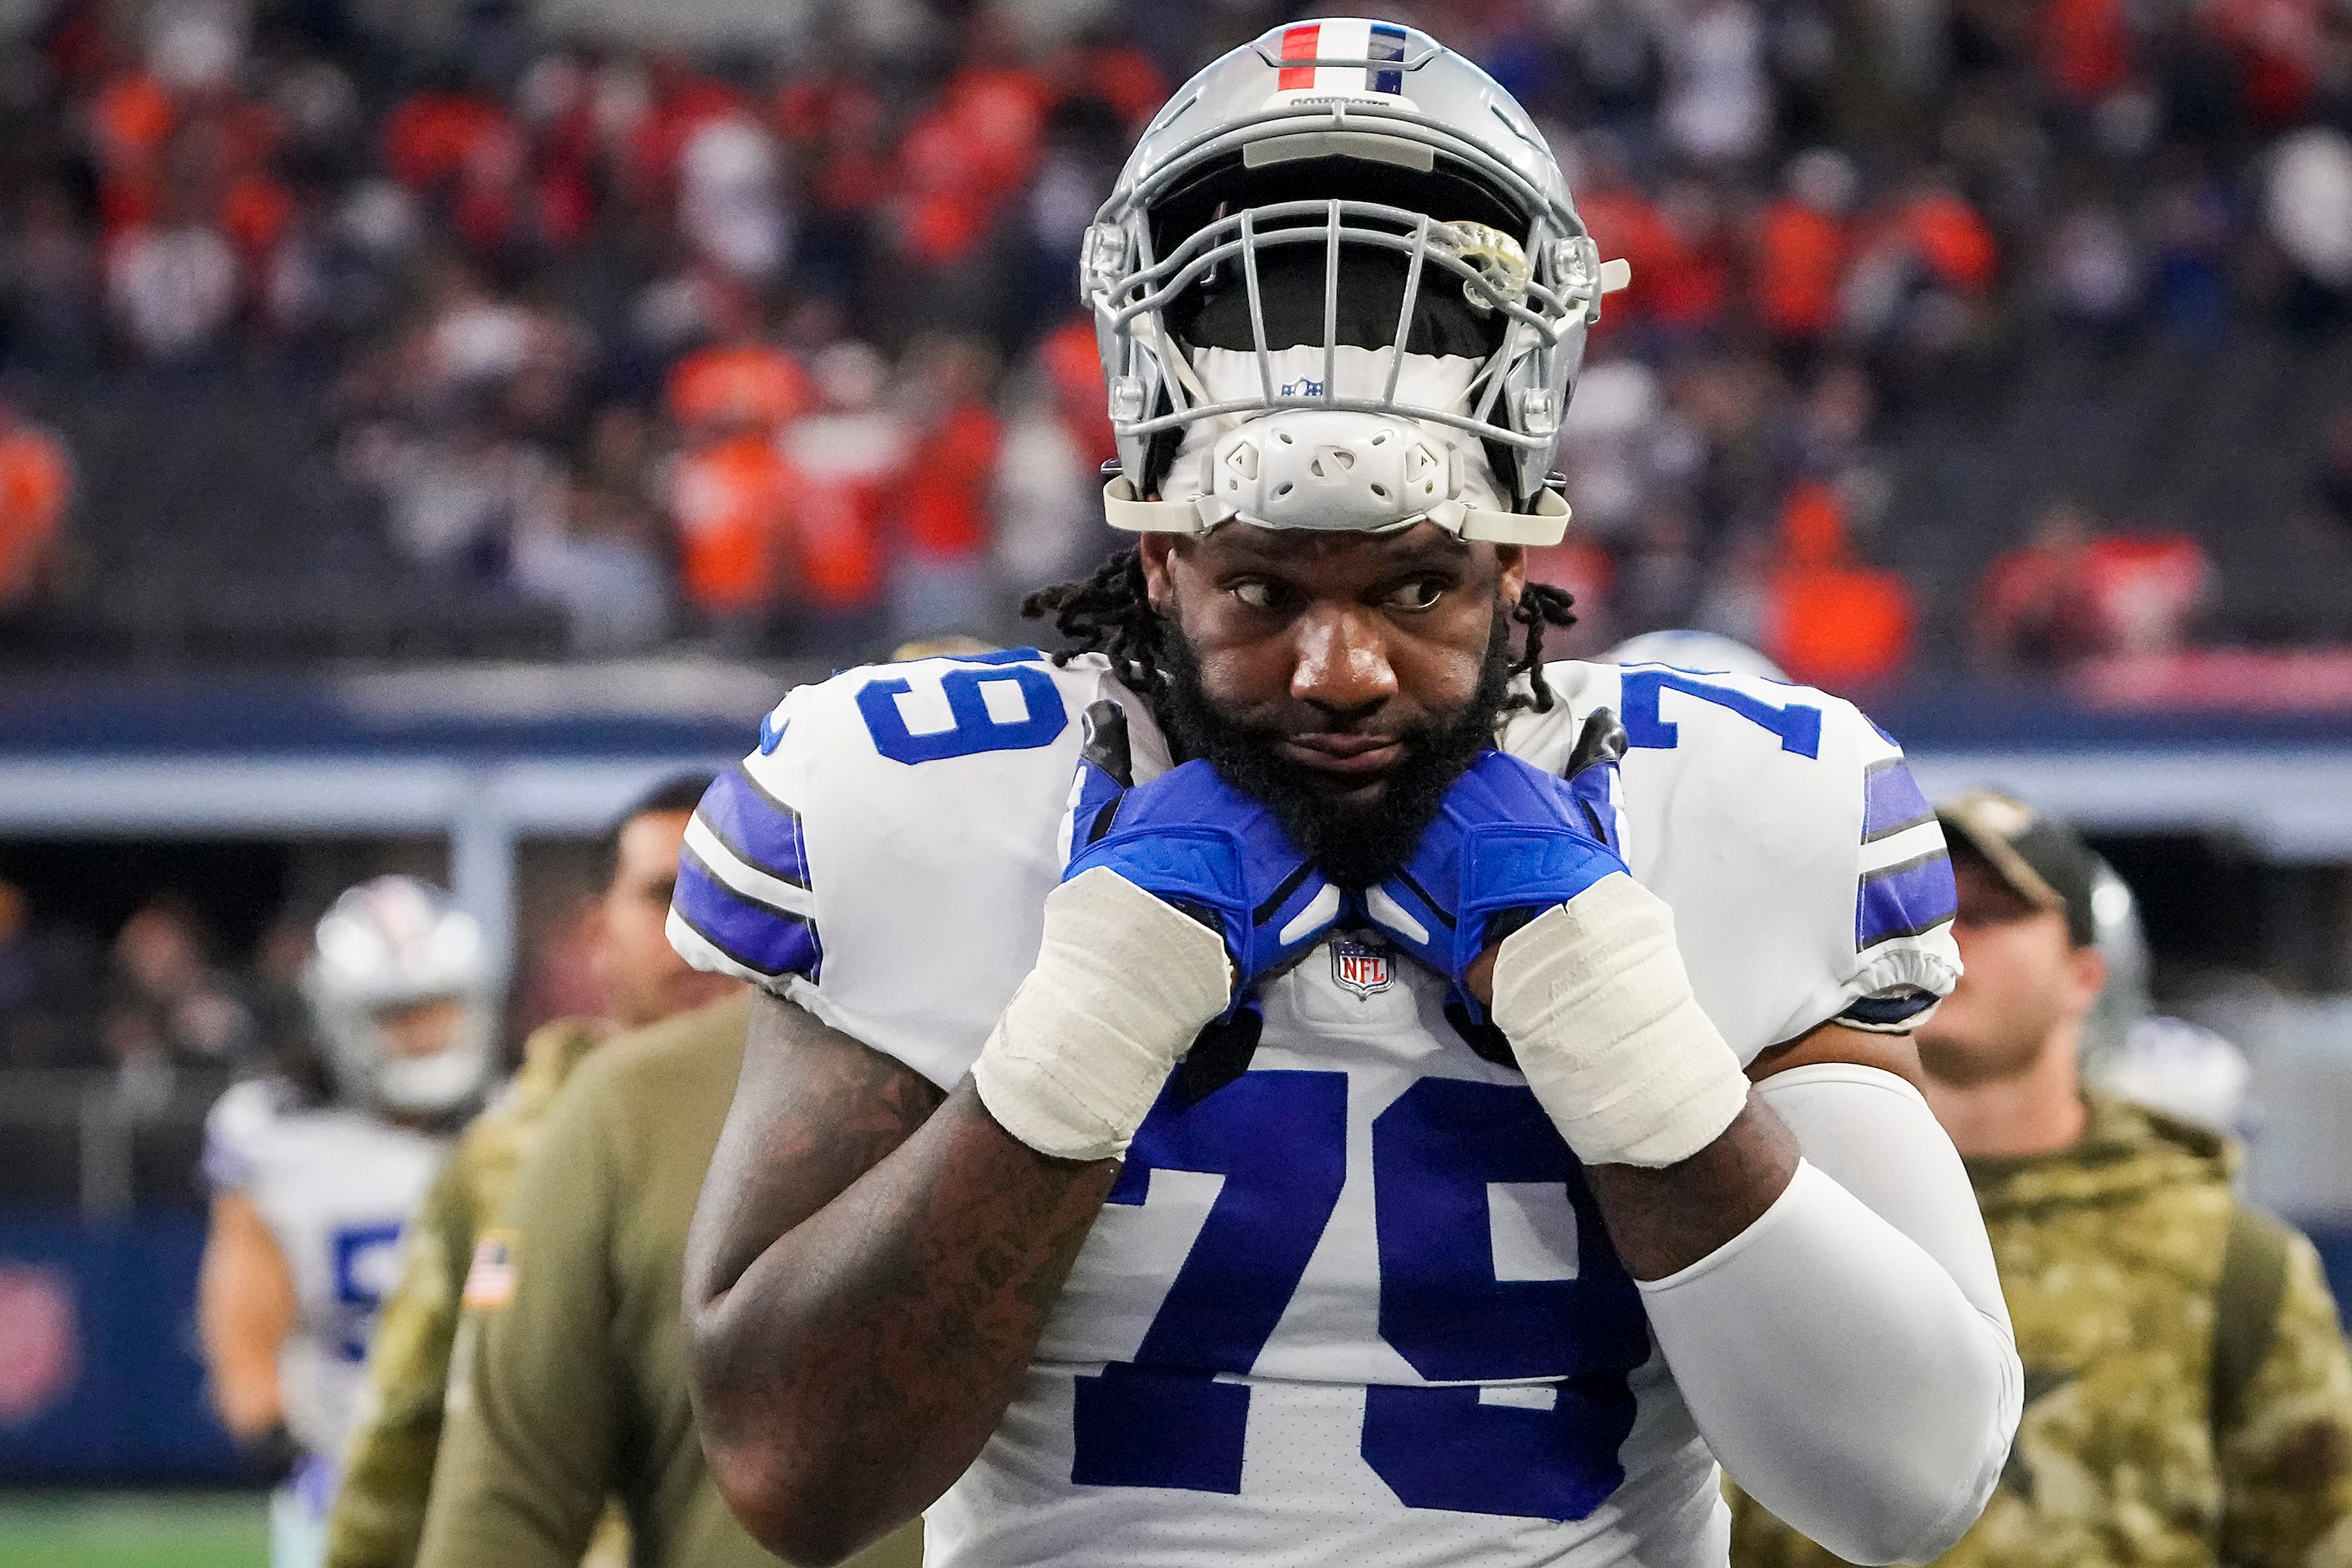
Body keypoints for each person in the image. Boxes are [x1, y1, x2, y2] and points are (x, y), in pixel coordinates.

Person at [670, 23, 2016, 1568]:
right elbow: (792, 1473)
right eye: (1260, 587)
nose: (1341, 668)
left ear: (1518, 557)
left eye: (1416, 585)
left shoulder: (1718, 799)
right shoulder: (935, 798)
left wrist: (1630, 1043)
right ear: (1156, 554)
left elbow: (1908, 1484)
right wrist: (1079, 1035)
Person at [1729, 790, 2352, 1568]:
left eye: (1990, 914)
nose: (1947, 939)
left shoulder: (2229, 1261)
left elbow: (2312, 1536)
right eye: (1915, 913)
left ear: (2084, 975)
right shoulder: (1784, 1216)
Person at [325, 776, 737, 1568]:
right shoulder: (502, 1160)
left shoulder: (851, 1128)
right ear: (595, 933)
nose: (704, 924)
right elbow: (408, 1428)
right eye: (664, 894)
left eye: (736, 888)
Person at [198, 877, 502, 1568]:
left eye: (438, 1007)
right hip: (341, 1474)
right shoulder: (278, 1135)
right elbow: (243, 1334)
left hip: (499, 1478)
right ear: (341, 1016)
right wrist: (283, 1450)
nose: (424, 1033)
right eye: (397, 1013)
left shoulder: (522, 1118)